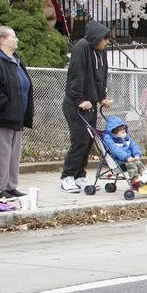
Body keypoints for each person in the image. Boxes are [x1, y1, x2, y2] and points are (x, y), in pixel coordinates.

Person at [0, 24, 34, 201]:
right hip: (0, 118)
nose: (16, 39)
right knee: (1, 155)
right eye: (13, 36)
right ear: (2, 40)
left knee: (13, 155)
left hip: (15, 117)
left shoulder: (15, 60)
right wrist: (7, 105)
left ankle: (10, 187)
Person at [60, 21, 110, 193]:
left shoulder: (101, 51)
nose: (106, 43)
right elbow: (77, 75)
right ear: (96, 38)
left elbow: (102, 74)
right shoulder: (81, 48)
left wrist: (102, 97)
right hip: (76, 104)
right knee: (79, 139)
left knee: (89, 141)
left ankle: (79, 175)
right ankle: (67, 176)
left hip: (92, 104)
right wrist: (79, 99)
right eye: (104, 39)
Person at [101, 116, 145, 181]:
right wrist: (127, 157)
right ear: (114, 133)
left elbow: (133, 145)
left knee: (138, 162)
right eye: (122, 132)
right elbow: (115, 150)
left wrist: (137, 154)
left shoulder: (125, 137)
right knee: (131, 165)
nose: (125, 134)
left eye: (125, 132)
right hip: (119, 162)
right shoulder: (108, 138)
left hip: (129, 159)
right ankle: (135, 180)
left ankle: (144, 177)